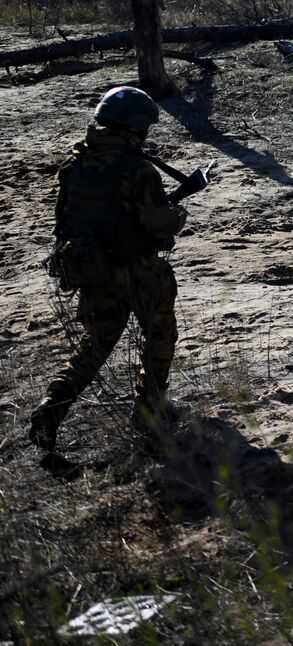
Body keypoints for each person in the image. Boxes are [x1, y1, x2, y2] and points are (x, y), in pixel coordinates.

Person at [30, 87, 187, 452]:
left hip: (92, 270)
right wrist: (176, 217)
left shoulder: (73, 166)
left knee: (96, 344)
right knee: (159, 337)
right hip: (138, 271)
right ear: (136, 128)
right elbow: (157, 224)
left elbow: (63, 224)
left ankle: (51, 407)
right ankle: (149, 412)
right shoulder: (137, 169)